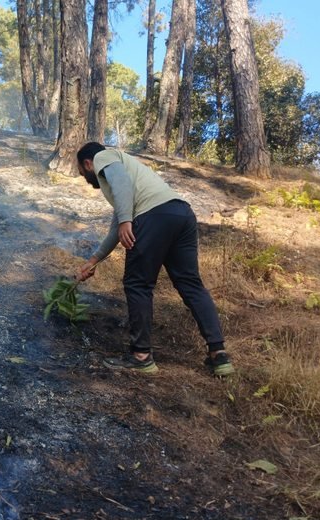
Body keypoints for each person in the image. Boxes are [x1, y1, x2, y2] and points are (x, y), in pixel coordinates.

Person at [74, 142, 234, 377]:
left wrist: (127, 220)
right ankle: (219, 355)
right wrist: (94, 260)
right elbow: (115, 227)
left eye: (82, 173)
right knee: (190, 284)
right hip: (181, 214)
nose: (87, 178)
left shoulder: (104, 157)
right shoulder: (129, 182)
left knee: (137, 284)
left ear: (88, 163)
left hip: (153, 216)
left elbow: (121, 187)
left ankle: (141, 357)